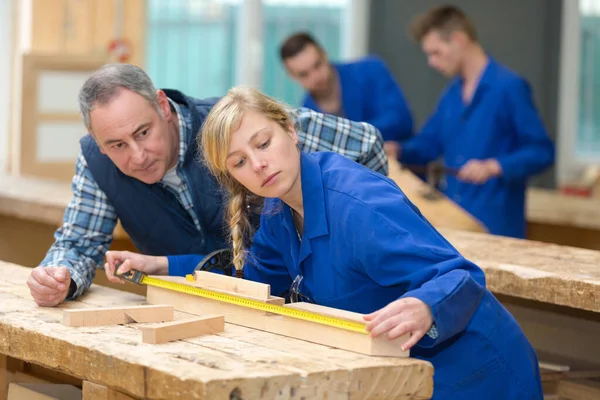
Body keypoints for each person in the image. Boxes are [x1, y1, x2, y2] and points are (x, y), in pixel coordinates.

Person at [107, 86, 542, 399]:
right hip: (401, 375)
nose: (259, 165)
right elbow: (254, 287)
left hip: (476, 374)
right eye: (240, 161)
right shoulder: (277, 211)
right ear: (231, 176)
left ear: (291, 132)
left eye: (264, 143)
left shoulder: (357, 203)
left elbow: (463, 277)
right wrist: (167, 266)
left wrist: (426, 305)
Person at [26, 64, 388, 307]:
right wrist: (59, 277)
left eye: (143, 132)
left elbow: (367, 144)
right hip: (195, 313)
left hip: (283, 309)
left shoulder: (231, 127)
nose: (136, 155)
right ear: (96, 139)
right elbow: (76, 245)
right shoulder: (96, 161)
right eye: (117, 145)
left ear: (163, 107)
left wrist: (338, 247)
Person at [396, 5, 555, 238]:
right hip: (454, 225)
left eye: (436, 52)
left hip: (497, 230)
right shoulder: (451, 94)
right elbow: (427, 144)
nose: (431, 62)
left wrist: (494, 166)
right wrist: (397, 149)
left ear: (459, 40)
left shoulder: (509, 87)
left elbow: (542, 151)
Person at [280, 32, 414, 157]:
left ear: (325, 54)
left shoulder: (370, 71)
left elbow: (401, 120)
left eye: (317, 65)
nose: (316, 77)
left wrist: (343, 139)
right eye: (304, 74)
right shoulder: (305, 119)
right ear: (292, 76)